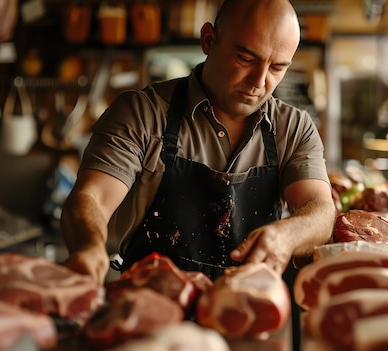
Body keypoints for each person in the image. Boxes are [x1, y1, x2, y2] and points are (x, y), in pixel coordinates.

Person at [60, 0, 336, 285]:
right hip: (152, 307)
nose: (259, 81)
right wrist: (88, 246)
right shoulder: (142, 113)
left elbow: (321, 211)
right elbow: (91, 198)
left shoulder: (293, 127)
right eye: (246, 58)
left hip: (250, 309)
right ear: (209, 40)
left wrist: (287, 235)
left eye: (277, 68)